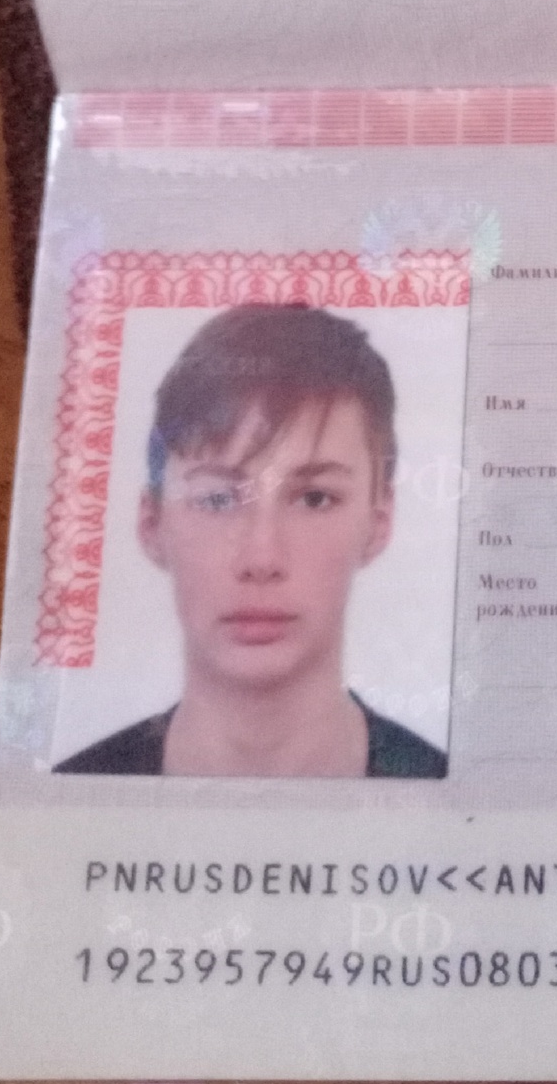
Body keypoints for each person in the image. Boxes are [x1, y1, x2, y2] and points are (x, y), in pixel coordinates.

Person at [55, 303, 447, 778]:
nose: (262, 558)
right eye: (218, 499)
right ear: (152, 523)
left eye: (315, 498)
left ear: (379, 521)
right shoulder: (71, 795)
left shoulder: (450, 795)